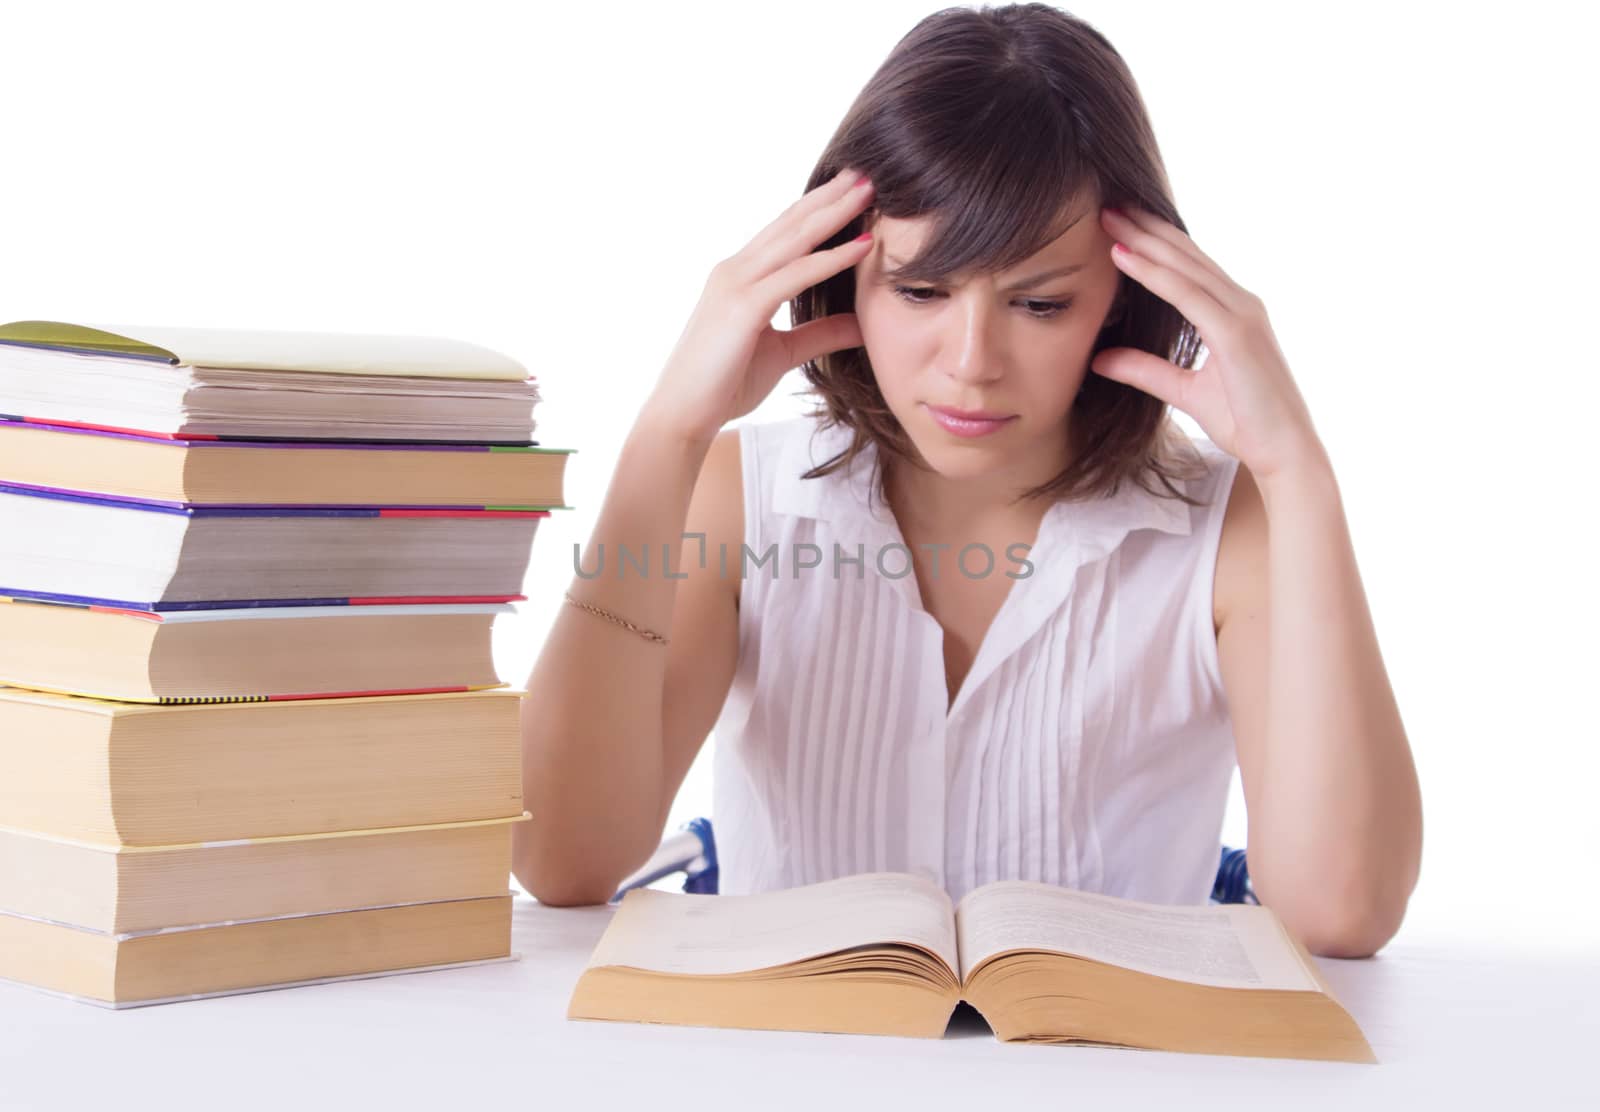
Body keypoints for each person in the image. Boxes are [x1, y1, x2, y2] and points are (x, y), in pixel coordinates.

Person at [514, 2, 1422, 958]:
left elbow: (1342, 913)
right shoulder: (744, 496)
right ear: (844, 271)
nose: (972, 362)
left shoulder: (1229, 527)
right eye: (920, 291)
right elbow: (563, 862)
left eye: (1040, 302)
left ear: (1125, 295)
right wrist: (669, 433)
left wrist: (1299, 475)